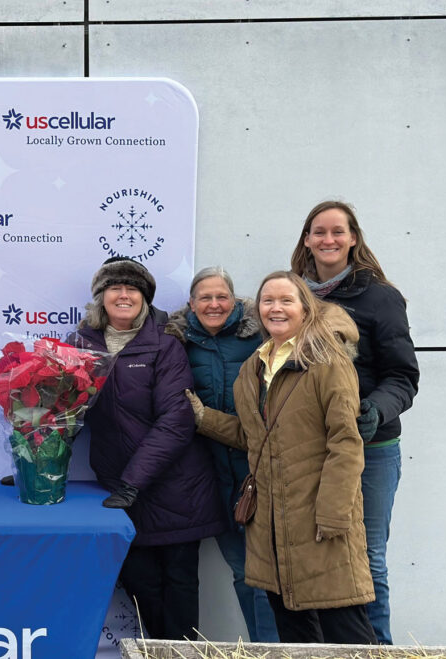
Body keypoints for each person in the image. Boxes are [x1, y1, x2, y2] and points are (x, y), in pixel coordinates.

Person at [188, 271, 376, 644]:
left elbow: (346, 442)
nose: (276, 308)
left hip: (320, 517)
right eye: (268, 301)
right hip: (270, 522)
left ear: (305, 309)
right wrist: (203, 418)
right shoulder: (252, 370)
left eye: (286, 300)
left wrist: (335, 513)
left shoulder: (328, 362)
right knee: (294, 634)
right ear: (257, 310)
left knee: (346, 631)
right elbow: (252, 435)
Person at [72, 257, 225, 641]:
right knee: (140, 587)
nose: (124, 295)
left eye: (133, 288)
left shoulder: (165, 344)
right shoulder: (81, 346)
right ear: (101, 296)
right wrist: (39, 462)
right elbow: (65, 410)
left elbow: (176, 420)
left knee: (178, 586)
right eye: (115, 287)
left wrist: (132, 482)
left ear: (145, 297)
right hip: (122, 492)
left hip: (176, 487)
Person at [290, 200, 418, 644]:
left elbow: (403, 376)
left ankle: (376, 648)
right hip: (309, 451)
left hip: (372, 449)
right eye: (319, 232)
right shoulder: (292, 296)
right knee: (316, 555)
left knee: (368, 556)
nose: (328, 240)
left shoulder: (380, 297)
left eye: (337, 232)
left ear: (353, 239)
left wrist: (376, 410)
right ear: (306, 239)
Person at [165, 267, 279, 642]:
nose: (214, 304)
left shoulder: (260, 336)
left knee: (269, 575)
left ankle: (276, 648)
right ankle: (259, 648)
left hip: (259, 473)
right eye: (205, 298)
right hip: (212, 476)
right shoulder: (178, 341)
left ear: (235, 300)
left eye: (221, 297)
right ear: (192, 304)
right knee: (242, 571)